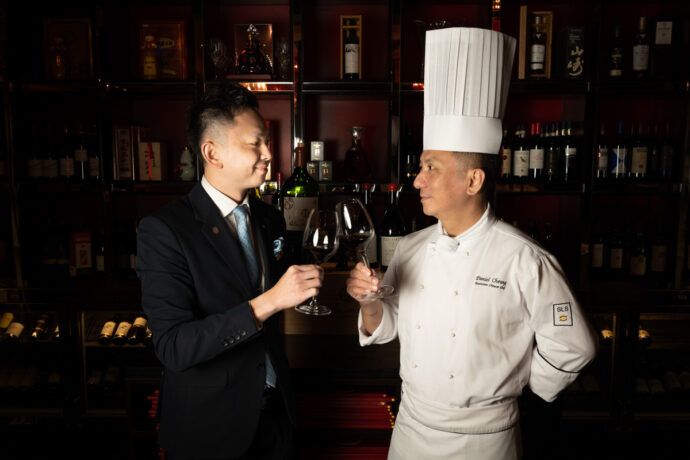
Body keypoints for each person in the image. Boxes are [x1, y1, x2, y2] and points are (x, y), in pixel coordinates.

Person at [346, 27, 598, 459]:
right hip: (410, 431)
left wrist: (516, 387)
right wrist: (368, 303)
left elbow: (576, 346)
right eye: (420, 166)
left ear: (474, 180)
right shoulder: (408, 248)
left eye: (431, 168)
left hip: (486, 440)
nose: (417, 179)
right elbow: (384, 329)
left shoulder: (524, 259)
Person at [136, 83, 324, 459]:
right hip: (210, 430)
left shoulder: (269, 218)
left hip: (275, 418)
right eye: (255, 143)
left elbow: (287, 285)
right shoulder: (165, 230)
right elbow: (174, 347)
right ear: (212, 152)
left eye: (267, 142)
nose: (269, 153)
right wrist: (266, 304)